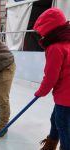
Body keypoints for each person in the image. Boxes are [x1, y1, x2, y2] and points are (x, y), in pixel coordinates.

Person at [33, 8, 70, 150]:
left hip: (65, 97)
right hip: (66, 96)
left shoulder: (55, 48)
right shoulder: (67, 43)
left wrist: (40, 92)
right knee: (56, 120)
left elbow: (51, 77)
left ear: (48, 30)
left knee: (63, 126)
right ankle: (51, 144)